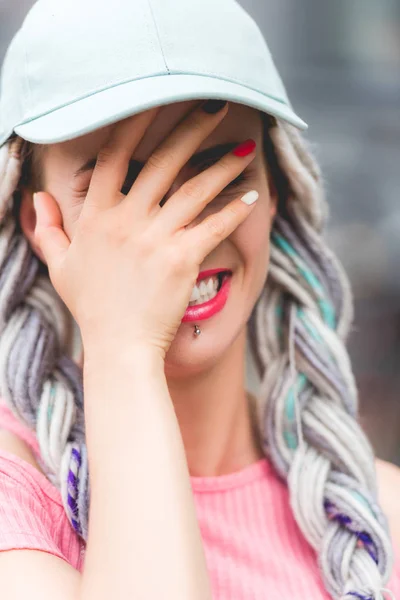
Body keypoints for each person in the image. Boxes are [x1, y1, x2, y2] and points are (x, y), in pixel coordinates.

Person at [0, 0, 398, 599]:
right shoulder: (16, 491)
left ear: (274, 196)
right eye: (124, 189)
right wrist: (126, 348)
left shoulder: (379, 515)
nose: (180, 241)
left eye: (219, 175)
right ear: (38, 222)